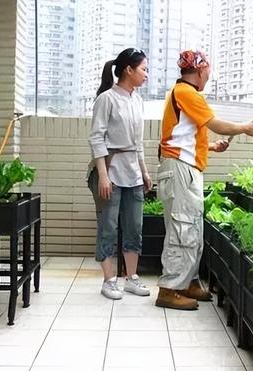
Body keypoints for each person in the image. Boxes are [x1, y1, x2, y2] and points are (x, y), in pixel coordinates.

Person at [155, 50, 253, 310]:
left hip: (185, 168)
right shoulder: (186, 93)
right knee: (182, 228)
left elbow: (187, 135)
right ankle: (169, 289)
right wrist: (244, 128)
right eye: (208, 73)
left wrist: (212, 147)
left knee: (191, 228)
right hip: (181, 169)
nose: (208, 77)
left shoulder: (186, 95)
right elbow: (215, 123)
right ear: (201, 70)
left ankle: (188, 282)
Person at [87, 48, 152, 300]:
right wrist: (103, 175)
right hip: (111, 171)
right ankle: (109, 280)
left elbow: (139, 142)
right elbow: (96, 138)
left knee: (134, 226)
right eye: (143, 69)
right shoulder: (107, 99)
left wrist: (145, 171)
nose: (146, 74)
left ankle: (131, 278)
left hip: (134, 173)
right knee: (108, 227)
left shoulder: (138, 100)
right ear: (129, 70)